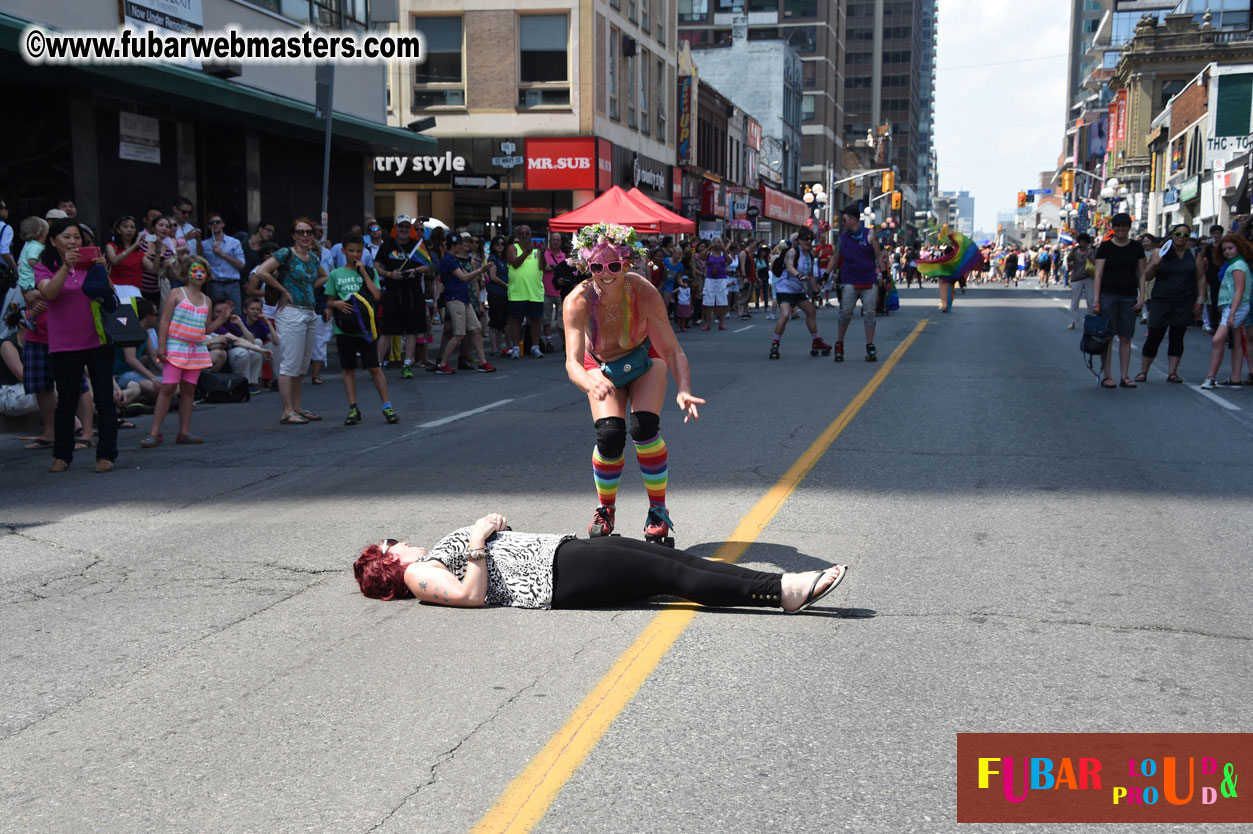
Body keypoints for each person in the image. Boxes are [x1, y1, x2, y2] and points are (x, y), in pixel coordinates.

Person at [353, 513, 848, 613]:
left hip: (564, 555)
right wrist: (480, 537)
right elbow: (470, 595)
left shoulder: (426, 561)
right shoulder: (417, 576)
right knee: (673, 575)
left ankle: (784, 583)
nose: (405, 542)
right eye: (393, 543)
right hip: (560, 577)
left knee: (671, 562)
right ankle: (781, 592)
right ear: (388, 562)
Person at [562, 223, 704, 543]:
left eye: (614, 265)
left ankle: (657, 510)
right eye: (597, 266)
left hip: (643, 359)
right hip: (599, 366)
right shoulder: (577, 300)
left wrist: (684, 389)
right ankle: (605, 509)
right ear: (587, 265)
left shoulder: (643, 291)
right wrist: (588, 381)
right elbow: (572, 361)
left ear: (626, 263)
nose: (605, 273)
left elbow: (671, 349)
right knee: (610, 435)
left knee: (644, 429)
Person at [34, 219, 119, 473]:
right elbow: (49, 294)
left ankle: (106, 455)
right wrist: (66, 267)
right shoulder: (44, 267)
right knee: (67, 401)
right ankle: (62, 455)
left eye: (77, 237)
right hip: (64, 344)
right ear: (53, 241)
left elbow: (110, 295)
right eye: (66, 237)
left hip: (97, 339)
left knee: (104, 399)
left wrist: (103, 270)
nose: (73, 242)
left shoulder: (91, 263)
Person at [142, 257, 229, 447]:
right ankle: (154, 432)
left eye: (202, 271)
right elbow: (164, 320)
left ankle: (184, 432)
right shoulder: (176, 293)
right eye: (195, 270)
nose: (198, 274)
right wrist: (162, 345)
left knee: (189, 389)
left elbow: (205, 329)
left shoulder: (207, 300)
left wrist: (222, 319)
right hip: (176, 346)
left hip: (196, 349)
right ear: (186, 273)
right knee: (168, 388)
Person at [254, 217, 329, 423]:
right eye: (300, 232)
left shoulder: (313, 258)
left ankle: (297, 407)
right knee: (290, 364)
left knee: (302, 365)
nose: (305, 236)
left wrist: (306, 289)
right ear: (293, 235)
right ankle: (287, 410)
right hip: (291, 312)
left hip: (309, 312)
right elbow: (262, 272)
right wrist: (283, 290)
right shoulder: (285, 253)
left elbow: (324, 276)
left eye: (308, 233)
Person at [325, 231, 399, 425]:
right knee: (348, 369)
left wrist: (365, 273)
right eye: (351, 251)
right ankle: (353, 408)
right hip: (344, 329)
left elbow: (376, 296)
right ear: (343, 251)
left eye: (358, 251)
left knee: (374, 367)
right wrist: (337, 304)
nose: (355, 255)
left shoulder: (370, 271)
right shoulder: (335, 274)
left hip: (366, 328)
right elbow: (329, 301)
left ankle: (387, 406)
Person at [1136, 224, 1204, 384]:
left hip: (1184, 300)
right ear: (1172, 235)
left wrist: (1200, 299)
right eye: (1178, 233)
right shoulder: (1159, 252)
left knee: (1177, 336)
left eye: (1185, 235)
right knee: (1154, 335)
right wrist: (1155, 263)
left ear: (1189, 238)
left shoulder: (1194, 254)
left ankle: (1172, 373)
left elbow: (1200, 277)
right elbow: (1147, 276)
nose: (1181, 237)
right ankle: (1143, 372)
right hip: (1161, 299)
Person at [373, 215, 432, 378]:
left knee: (412, 329)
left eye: (407, 227)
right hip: (393, 291)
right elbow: (376, 265)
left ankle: (407, 364)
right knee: (387, 330)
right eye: (401, 227)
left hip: (412, 292)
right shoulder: (388, 245)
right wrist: (389, 274)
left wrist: (415, 271)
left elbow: (428, 265)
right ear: (396, 228)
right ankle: (376, 366)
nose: (404, 230)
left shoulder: (417, 245)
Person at [1092, 213, 1146, 389]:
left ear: (1129, 228)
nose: (1121, 229)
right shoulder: (1106, 247)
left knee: (1126, 336)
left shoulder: (1136, 247)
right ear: (1113, 228)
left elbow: (1141, 273)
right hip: (1108, 295)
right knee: (1107, 336)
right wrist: (1096, 300)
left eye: (1124, 226)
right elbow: (1098, 274)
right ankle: (1108, 376)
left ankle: (1124, 376)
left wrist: (1142, 295)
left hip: (1129, 295)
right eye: (1118, 226)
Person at [435, 233, 495, 375]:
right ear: (454, 246)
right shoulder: (448, 260)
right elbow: (463, 277)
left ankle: (483, 362)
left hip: (463, 298)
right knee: (459, 334)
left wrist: (479, 270)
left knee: (477, 329)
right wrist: (481, 270)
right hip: (455, 299)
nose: (463, 246)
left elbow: (465, 274)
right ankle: (442, 364)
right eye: (461, 244)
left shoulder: (453, 259)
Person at [832, 207, 883, 361]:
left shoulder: (869, 235)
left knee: (869, 313)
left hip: (868, 280)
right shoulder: (842, 238)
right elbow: (835, 258)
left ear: (854, 219)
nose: (842, 223)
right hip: (849, 280)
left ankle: (870, 345)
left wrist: (885, 273)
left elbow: (878, 255)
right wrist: (826, 275)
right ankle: (839, 343)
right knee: (846, 313)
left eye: (844, 220)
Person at [1200, 234, 1250, 390]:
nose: (1227, 252)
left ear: (1239, 248)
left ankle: (1211, 377)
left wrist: (1232, 312)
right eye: (1224, 250)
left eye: (1230, 248)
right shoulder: (1234, 264)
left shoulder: (1238, 266)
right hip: (1233, 306)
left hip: (1236, 307)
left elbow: (1239, 291)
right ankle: (1235, 378)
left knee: (1217, 340)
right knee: (1235, 341)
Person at [506, 224, 546, 358]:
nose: (524, 236)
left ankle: (535, 347)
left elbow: (542, 266)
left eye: (527, 233)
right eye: (521, 233)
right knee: (516, 320)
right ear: (517, 235)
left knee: (536, 320)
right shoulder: (513, 248)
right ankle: (516, 347)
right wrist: (526, 253)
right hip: (518, 291)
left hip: (534, 291)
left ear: (530, 235)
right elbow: (515, 263)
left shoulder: (537, 250)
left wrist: (544, 254)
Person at [113, 296, 162, 404]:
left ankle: (150, 396)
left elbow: (153, 357)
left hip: (133, 372)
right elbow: (130, 359)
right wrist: (152, 377)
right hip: (121, 374)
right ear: (149, 317)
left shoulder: (145, 332)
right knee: (157, 387)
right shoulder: (130, 330)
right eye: (156, 315)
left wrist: (169, 372)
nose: (157, 318)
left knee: (170, 385)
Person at [201, 212, 246, 313]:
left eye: (218, 222)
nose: (215, 225)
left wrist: (222, 254)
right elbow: (200, 262)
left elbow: (241, 264)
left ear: (223, 224)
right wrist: (208, 274)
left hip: (232, 284)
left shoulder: (234, 242)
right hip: (215, 284)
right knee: (216, 314)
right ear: (208, 226)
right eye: (212, 223)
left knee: (236, 314)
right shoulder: (204, 245)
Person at [104, 216, 145, 301]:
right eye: (125, 227)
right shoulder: (111, 246)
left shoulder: (139, 252)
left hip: (134, 290)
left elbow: (154, 269)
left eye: (132, 227)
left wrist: (158, 251)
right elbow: (114, 261)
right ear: (118, 230)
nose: (129, 229)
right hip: (116, 288)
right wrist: (133, 247)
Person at [541, 233, 566, 353]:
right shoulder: (544, 254)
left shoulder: (564, 255)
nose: (555, 242)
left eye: (557, 240)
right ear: (549, 241)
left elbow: (564, 269)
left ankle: (564, 342)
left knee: (563, 320)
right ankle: (549, 341)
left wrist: (552, 267)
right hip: (546, 291)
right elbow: (543, 267)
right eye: (553, 240)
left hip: (560, 292)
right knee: (546, 319)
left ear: (560, 242)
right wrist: (556, 267)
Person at [1065, 234, 1095, 329]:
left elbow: (1096, 262)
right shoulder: (1075, 250)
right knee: (1075, 301)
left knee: (1090, 300)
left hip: (1089, 277)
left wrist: (1090, 255)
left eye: (1084, 241)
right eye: (1081, 241)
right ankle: (1072, 321)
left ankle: (1091, 321)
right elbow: (1068, 260)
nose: (1082, 243)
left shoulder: (1092, 251)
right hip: (1076, 277)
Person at [701, 238, 730, 331]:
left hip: (721, 278)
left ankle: (721, 322)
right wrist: (709, 247)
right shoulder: (709, 253)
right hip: (710, 278)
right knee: (708, 300)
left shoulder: (722, 253)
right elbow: (701, 257)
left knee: (722, 300)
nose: (716, 244)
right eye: (715, 242)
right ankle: (707, 323)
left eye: (718, 242)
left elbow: (729, 261)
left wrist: (724, 250)